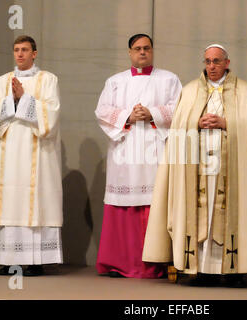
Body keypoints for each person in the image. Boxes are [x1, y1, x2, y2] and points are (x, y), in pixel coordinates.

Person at [142, 44, 247, 286]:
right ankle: (199, 269)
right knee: (200, 212)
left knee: (231, 211)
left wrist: (227, 123)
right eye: (207, 61)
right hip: (198, 167)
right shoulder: (190, 91)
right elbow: (179, 126)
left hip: (233, 166)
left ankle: (233, 271)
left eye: (216, 61)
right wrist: (195, 122)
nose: (211, 66)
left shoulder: (243, 91)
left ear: (227, 63)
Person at [95, 34, 182, 278]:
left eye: (146, 48)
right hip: (125, 150)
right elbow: (102, 111)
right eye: (137, 49)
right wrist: (128, 117)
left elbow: (182, 109)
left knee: (154, 203)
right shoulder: (115, 81)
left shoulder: (169, 79)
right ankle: (119, 263)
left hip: (154, 149)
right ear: (130, 52)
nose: (142, 52)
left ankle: (157, 262)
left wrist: (152, 113)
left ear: (152, 50)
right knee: (124, 204)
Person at [0, 35, 63, 277]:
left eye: (25, 50)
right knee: (10, 201)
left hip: (38, 152)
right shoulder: (2, 81)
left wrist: (24, 99)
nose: (20, 54)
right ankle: (9, 261)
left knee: (36, 201)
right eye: (16, 50)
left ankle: (36, 262)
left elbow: (52, 112)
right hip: (10, 152)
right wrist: (12, 99)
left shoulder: (48, 79)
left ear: (34, 53)